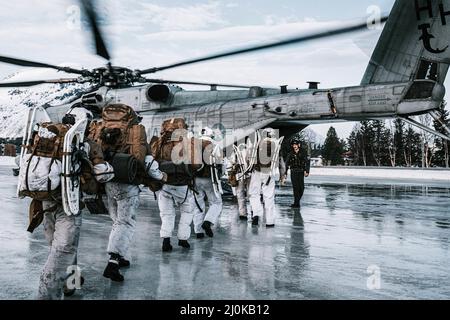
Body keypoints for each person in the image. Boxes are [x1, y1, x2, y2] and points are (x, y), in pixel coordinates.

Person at [24, 107, 114, 299]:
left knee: (60, 247)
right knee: (64, 249)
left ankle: (70, 283)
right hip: (69, 205)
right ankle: (47, 294)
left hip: (46, 201)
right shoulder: (86, 144)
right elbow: (101, 175)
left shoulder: (47, 138)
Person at [90, 104, 165, 282]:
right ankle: (113, 261)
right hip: (128, 184)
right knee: (126, 222)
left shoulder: (103, 131)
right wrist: (161, 177)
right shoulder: (135, 134)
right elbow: (147, 161)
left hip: (109, 181)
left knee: (117, 222)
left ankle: (122, 256)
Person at [151, 118, 200, 252]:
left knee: (166, 214)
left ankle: (166, 241)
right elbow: (197, 165)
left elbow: (152, 162)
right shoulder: (187, 143)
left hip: (164, 184)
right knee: (187, 211)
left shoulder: (160, 143)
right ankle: (183, 239)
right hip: (182, 185)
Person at [248, 128, 283, 227]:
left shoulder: (257, 143)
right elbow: (280, 161)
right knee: (269, 197)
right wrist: (282, 174)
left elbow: (250, 158)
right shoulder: (276, 144)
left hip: (257, 172)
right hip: (268, 173)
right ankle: (269, 221)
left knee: (254, 194)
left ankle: (255, 214)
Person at [192, 127, 223, 238]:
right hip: (210, 179)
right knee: (216, 202)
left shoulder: (194, 145)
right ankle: (208, 221)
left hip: (195, 179)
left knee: (197, 204)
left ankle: (198, 231)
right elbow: (220, 164)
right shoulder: (215, 145)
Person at [285, 139, 310, 208]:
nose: (294, 146)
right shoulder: (290, 153)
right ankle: (296, 203)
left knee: (301, 188)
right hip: (293, 171)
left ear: (298, 145)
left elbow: (307, 162)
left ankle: (297, 202)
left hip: (301, 171)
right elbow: (286, 164)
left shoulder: (303, 152)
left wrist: (307, 171)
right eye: (293, 145)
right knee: (295, 188)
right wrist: (285, 173)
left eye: (296, 145)